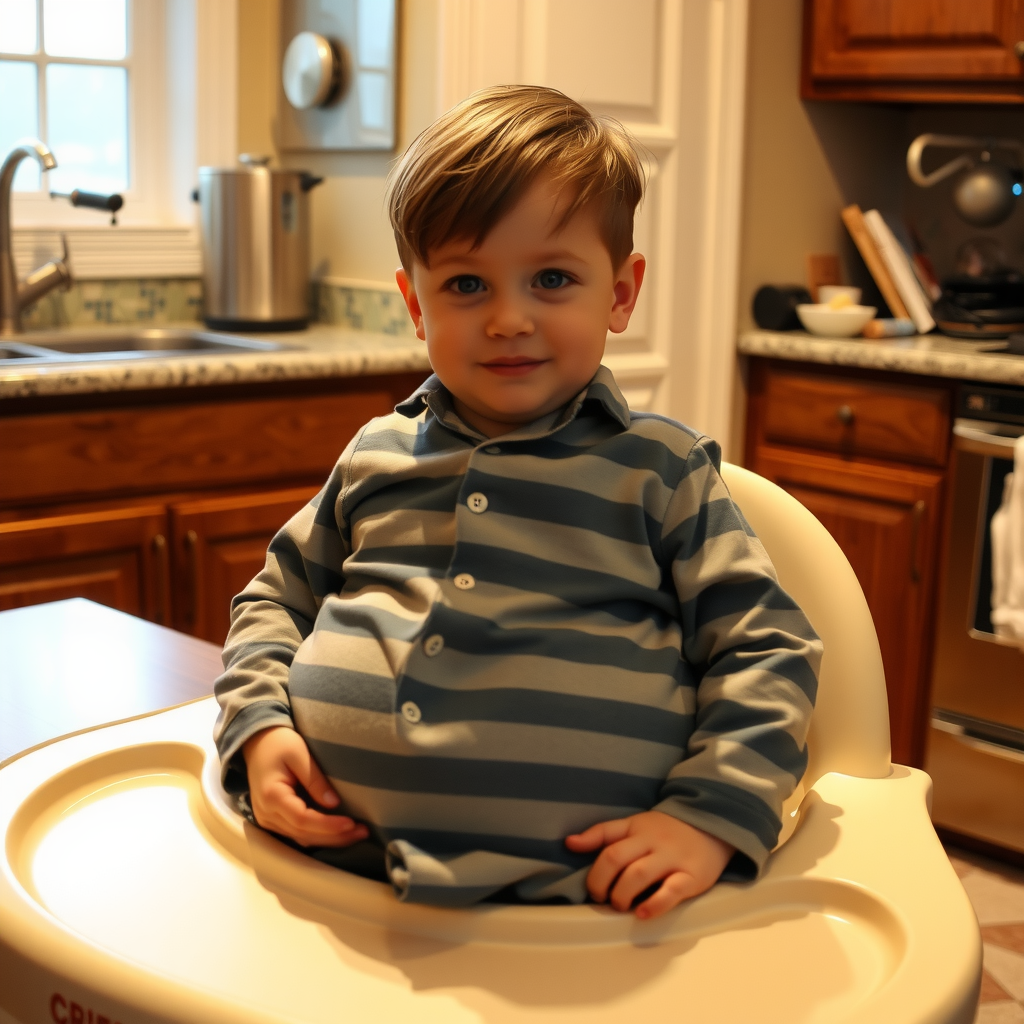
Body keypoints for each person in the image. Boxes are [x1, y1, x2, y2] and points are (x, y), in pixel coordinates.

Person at [213, 85, 822, 920]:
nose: (508, 319)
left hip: (591, 918)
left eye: (551, 278)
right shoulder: (375, 456)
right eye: (466, 284)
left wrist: (709, 816)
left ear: (619, 292)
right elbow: (275, 601)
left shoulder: (661, 472)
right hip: (334, 890)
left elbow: (768, 649)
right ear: (414, 301)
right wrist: (258, 730)